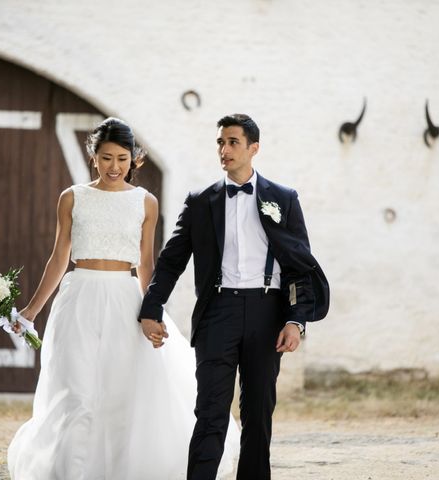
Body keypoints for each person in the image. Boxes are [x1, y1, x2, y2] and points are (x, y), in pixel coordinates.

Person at [7, 117, 239, 480]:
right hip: (78, 297)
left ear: (134, 160)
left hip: (124, 299)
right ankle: (70, 471)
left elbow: (147, 264)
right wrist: (31, 310)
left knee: (119, 393)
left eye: (121, 159)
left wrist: (153, 311)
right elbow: (58, 258)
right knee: (75, 391)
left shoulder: (145, 202)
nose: (114, 166)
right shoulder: (72, 197)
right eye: (106, 158)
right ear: (93, 157)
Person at [139, 113, 330, 480]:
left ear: (253, 148)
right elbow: (171, 261)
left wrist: (296, 320)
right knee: (210, 412)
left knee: (258, 414)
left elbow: (299, 266)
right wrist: (152, 308)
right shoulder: (200, 201)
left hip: (267, 313)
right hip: (217, 314)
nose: (224, 150)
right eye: (220, 143)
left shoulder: (284, 199)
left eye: (233, 142)